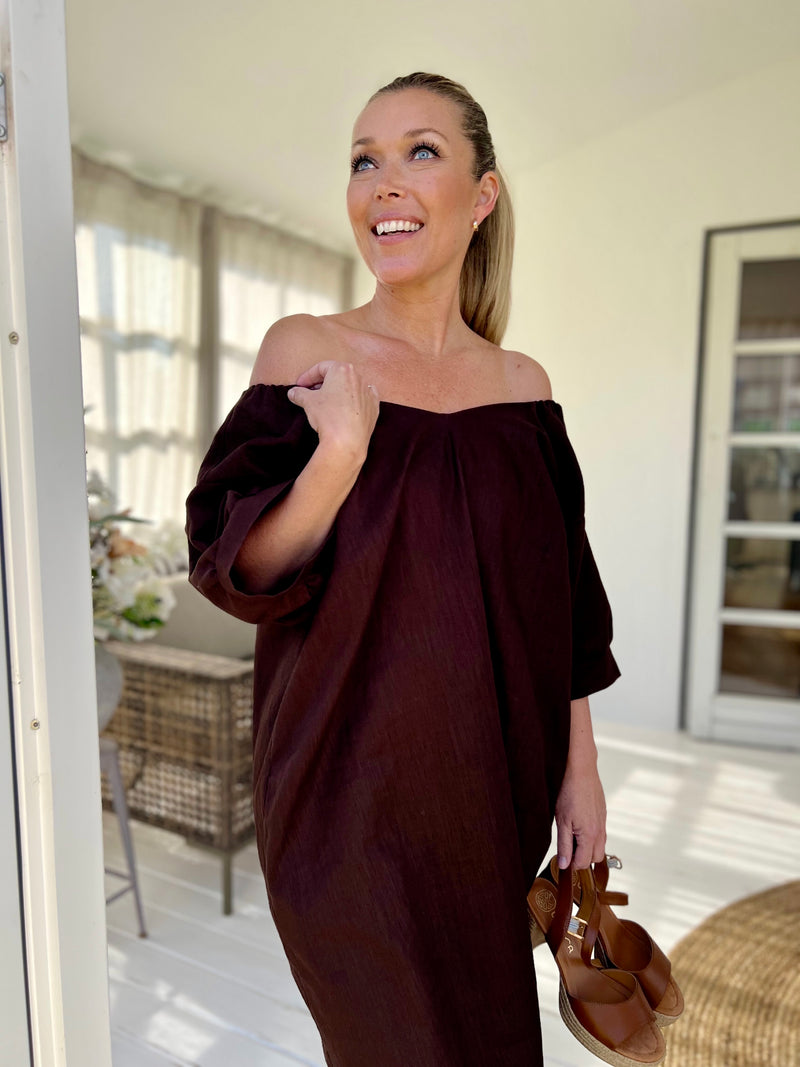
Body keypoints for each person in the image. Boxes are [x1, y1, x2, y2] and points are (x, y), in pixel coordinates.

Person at [186, 72, 621, 1067]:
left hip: (492, 790)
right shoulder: (306, 350)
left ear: (481, 195)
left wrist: (581, 769)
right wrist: (338, 455)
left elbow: (564, 600)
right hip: (342, 798)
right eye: (363, 160)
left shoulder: (523, 390)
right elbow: (236, 568)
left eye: (421, 151)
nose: (384, 181)